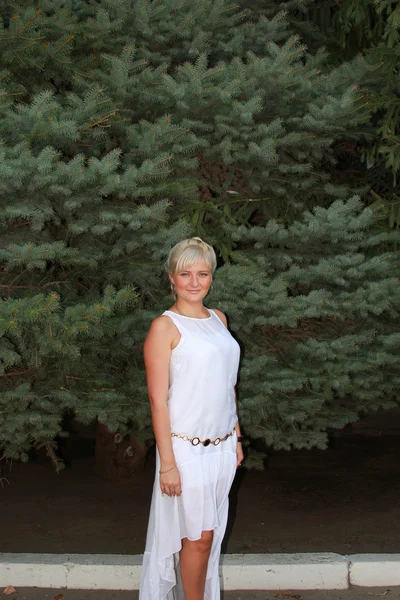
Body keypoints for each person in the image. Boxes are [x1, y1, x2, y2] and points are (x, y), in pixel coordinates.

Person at [139, 237, 244, 600]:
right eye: (186, 274)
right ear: (172, 278)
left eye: (203, 273)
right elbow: (157, 400)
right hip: (185, 452)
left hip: (223, 448)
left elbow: (225, 383)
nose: (195, 282)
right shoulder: (164, 328)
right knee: (197, 540)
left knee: (209, 538)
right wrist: (167, 464)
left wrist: (236, 436)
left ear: (211, 276)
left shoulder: (219, 319)